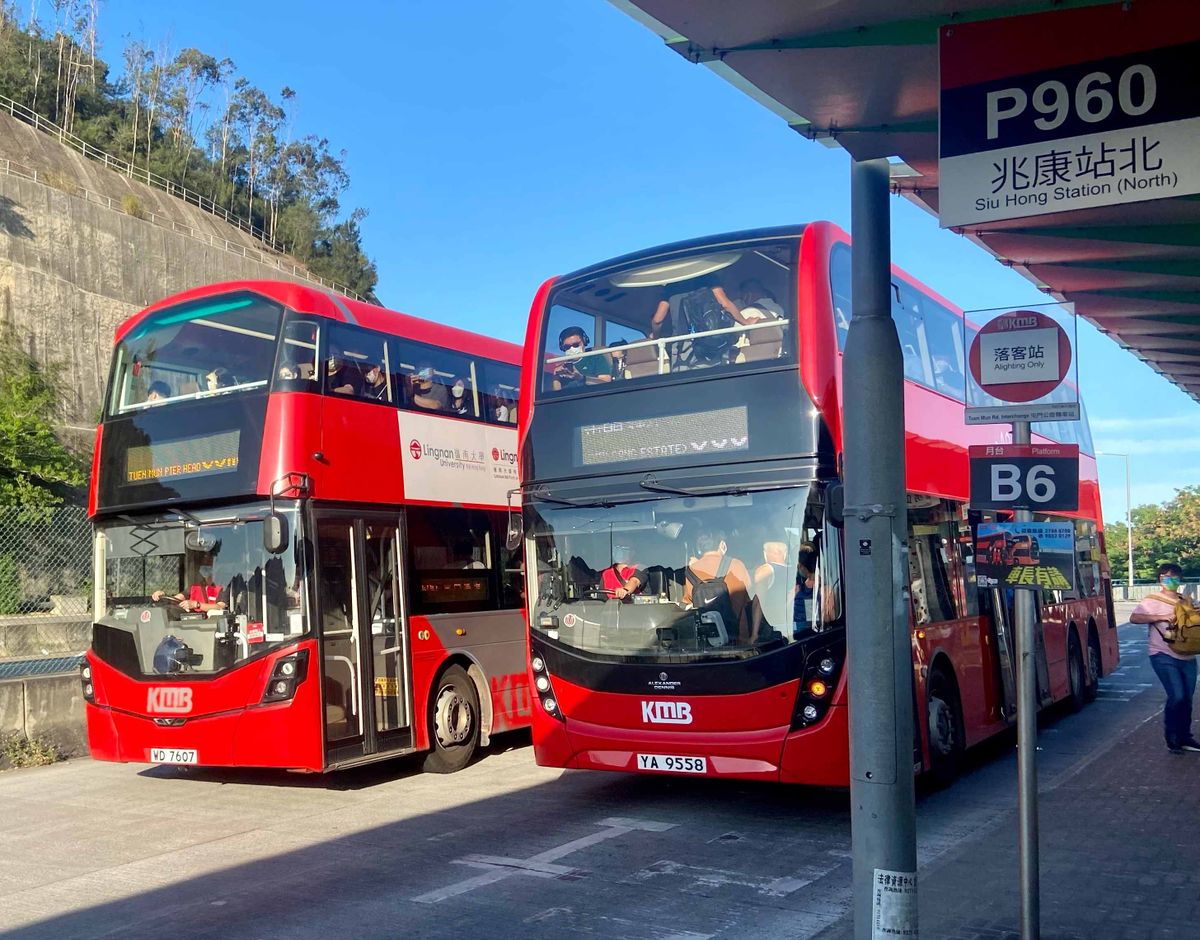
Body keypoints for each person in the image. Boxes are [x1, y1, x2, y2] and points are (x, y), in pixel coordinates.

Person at [1131, 562, 1200, 754]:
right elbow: (1135, 618)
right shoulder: (1151, 600)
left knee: (1187, 698)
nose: (1170, 580)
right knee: (1177, 695)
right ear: (1160, 579)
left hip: (1187, 655)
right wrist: (1159, 616)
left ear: (1180, 579)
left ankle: (1185, 737)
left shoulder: (1186, 600)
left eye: (1174, 577)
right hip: (1162, 654)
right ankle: (1173, 739)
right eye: (1165, 577)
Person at [683, 526, 752, 642]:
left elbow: (687, 603)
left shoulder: (690, 571)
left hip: (706, 639)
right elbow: (750, 598)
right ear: (722, 545)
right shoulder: (735, 564)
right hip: (738, 638)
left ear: (700, 549)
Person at [152, 563, 227, 613]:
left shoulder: (223, 588)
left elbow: (220, 607)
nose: (207, 574)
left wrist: (196, 605)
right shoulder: (194, 587)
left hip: (212, 626)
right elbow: (176, 599)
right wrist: (162, 595)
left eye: (209, 570)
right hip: (191, 624)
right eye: (205, 570)